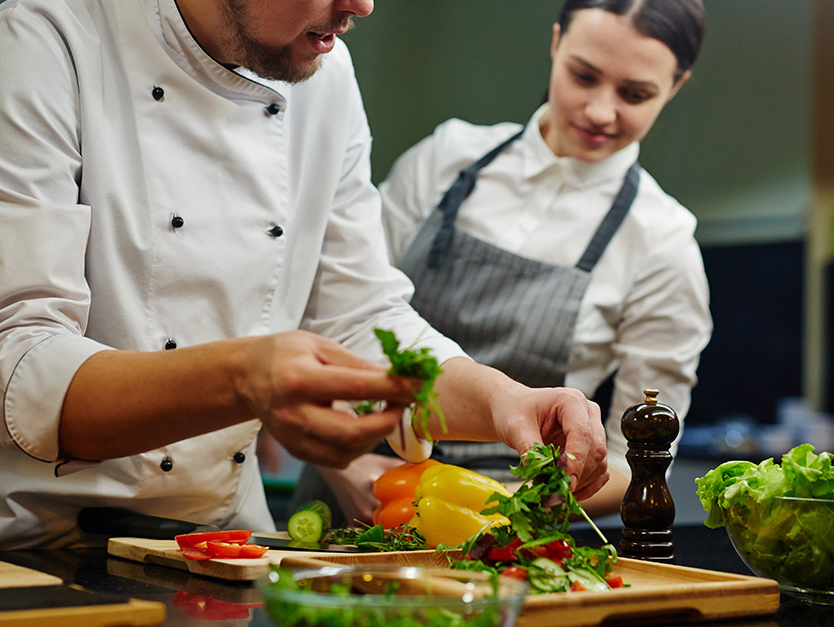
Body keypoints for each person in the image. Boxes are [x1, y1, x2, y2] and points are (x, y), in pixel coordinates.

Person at [0, 0, 611, 550]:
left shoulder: (326, 75)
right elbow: (16, 367)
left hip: (216, 543)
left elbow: (363, 315)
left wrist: (500, 401)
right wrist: (248, 376)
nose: (361, 5)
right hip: (16, 543)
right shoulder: (42, 46)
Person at [300, 0, 712, 524]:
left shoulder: (664, 242)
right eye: (583, 77)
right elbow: (336, 313)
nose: (601, 111)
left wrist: (497, 511)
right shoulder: (446, 159)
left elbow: (638, 463)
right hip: (351, 484)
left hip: (499, 527)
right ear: (556, 42)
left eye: (635, 94)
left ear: (675, 87)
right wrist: (347, 464)